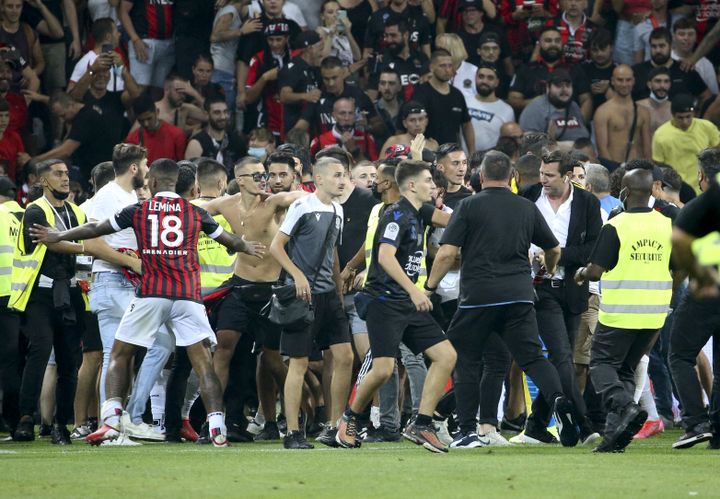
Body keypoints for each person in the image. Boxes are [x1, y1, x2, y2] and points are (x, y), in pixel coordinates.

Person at [30, 159, 265, 447]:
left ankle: (112, 419)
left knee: (119, 353)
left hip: (152, 293)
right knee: (203, 362)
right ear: (182, 184)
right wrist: (247, 246)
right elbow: (228, 239)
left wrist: (59, 235)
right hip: (188, 296)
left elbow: (96, 229)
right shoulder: (194, 212)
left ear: (152, 183)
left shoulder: (139, 210)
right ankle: (217, 427)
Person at [423, 150, 579, 449]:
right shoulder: (526, 207)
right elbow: (554, 248)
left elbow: (447, 252)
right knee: (532, 357)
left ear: (480, 177)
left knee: (465, 359)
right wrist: (549, 264)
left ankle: (468, 430)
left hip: (477, 298)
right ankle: (560, 400)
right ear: (513, 178)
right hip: (520, 296)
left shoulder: (468, 206)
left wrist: (430, 286)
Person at [9, 159, 139, 444]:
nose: (65, 179)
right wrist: (85, 245)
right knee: (40, 352)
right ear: (44, 181)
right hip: (40, 294)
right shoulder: (34, 210)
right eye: (58, 174)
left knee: (70, 361)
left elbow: (87, 241)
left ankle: (60, 424)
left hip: (71, 293)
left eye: (67, 173)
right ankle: (25, 418)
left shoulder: (77, 212)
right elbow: (51, 242)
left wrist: (99, 249)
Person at [335, 159, 457, 453]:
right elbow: (385, 257)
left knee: (446, 355)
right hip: (385, 302)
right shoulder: (396, 215)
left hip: (407, 302)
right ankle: (348, 420)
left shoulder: (421, 211)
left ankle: (422, 423)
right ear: (412, 186)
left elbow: (453, 222)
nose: (434, 186)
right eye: (428, 181)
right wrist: (414, 291)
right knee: (383, 370)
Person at [202, 154, 306, 443]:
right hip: (240, 288)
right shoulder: (226, 205)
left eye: (266, 175)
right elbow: (195, 208)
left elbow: (298, 195)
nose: (265, 180)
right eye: (258, 176)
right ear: (240, 181)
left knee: (272, 359)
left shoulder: (272, 203)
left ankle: (299, 411)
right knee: (223, 348)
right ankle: (213, 422)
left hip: (272, 291)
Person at [575, 168, 673, 452]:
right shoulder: (667, 224)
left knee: (601, 366)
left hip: (621, 312)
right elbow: (677, 267)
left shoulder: (617, 225)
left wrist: (581, 272)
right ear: (652, 191)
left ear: (625, 192)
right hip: (655, 313)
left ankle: (626, 407)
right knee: (626, 369)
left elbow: (595, 271)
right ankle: (614, 437)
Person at [269, 157, 354, 449]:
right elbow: (276, 246)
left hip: (329, 296)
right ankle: (293, 432)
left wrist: (339, 293)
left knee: (345, 357)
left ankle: (333, 427)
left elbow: (332, 253)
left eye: (344, 175)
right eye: (337, 175)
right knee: (299, 363)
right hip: (302, 296)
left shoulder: (338, 209)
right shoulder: (302, 207)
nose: (342, 181)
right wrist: (297, 277)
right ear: (318, 179)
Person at [521, 149, 602, 445]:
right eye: (542, 173)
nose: (543, 179)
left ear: (567, 175)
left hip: (572, 289)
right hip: (539, 290)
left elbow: (593, 248)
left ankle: (536, 426)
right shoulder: (528, 196)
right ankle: (583, 424)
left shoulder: (587, 203)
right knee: (561, 356)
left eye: (550, 175)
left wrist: (557, 255)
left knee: (562, 361)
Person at [668, 147, 720, 450]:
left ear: (701, 176)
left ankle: (696, 422)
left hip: (704, 293)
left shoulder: (695, 210)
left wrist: (673, 296)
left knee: (679, 355)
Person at [652, 93, 720, 194]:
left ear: (693, 113)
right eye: (680, 118)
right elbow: (657, 162)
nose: (685, 121)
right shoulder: (660, 134)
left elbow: (717, 147)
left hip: (705, 187)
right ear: (673, 114)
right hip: (677, 190)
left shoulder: (707, 127)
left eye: (688, 116)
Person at [413, 49, 475, 151]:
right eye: (442, 66)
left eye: (450, 66)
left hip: (452, 153)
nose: (447, 70)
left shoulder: (457, 94)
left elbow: (466, 124)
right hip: (427, 152)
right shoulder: (421, 93)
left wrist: (472, 151)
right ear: (432, 68)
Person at [631, 27, 710, 102]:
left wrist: (697, 112)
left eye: (662, 46)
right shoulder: (637, 72)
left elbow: (707, 96)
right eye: (654, 46)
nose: (658, 50)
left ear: (671, 46)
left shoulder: (685, 70)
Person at [593, 65, 652, 166]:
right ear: (612, 81)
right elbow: (602, 149)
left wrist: (648, 170)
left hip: (638, 170)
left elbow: (647, 148)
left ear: (633, 81)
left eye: (628, 80)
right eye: (620, 80)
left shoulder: (643, 112)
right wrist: (613, 171)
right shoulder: (603, 112)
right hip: (614, 169)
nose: (624, 84)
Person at [365, 15, 430, 102]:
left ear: (406, 35)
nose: (388, 40)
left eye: (393, 35)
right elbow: (371, 98)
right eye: (386, 35)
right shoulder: (379, 60)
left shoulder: (421, 58)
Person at [519, 69, 590, 146]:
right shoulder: (535, 109)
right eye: (559, 85)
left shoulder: (574, 106)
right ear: (548, 88)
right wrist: (555, 144)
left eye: (568, 85)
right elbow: (529, 146)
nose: (564, 89)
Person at [119, 0, 175, 93]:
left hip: (168, 42)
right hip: (143, 42)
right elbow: (123, 11)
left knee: (160, 89)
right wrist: (135, 38)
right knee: (139, 88)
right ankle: (131, 107)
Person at [184, 96, 247, 173]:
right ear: (207, 114)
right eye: (217, 113)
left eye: (225, 112)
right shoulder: (196, 143)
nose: (223, 117)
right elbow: (189, 176)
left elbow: (245, 169)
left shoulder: (237, 140)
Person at [279, 31, 324, 135]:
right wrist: (305, 96)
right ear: (310, 48)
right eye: (319, 47)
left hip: (312, 127)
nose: (321, 52)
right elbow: (284, 96)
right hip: (294, 127)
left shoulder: (315, 69)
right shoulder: (293, 68)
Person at [465, 62, 515, 152]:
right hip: (462, 160)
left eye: (490, 78)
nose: (484, 81)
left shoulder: (507, 110)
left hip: (490, 162)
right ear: (475, 78)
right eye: (481, 76)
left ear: (497, 82)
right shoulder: (463, 101)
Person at [310, 97, 378, 161]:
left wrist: (354, 151)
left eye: (350, 113)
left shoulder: (366, 138)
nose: (347, 118)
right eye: (342, 113)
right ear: (334, 116)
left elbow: (373, 168)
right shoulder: (319, 141)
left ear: (355, 115)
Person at [125, 94, 187, 163]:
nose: (146, 124)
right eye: (141, 120)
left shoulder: (177, 135)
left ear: (157, 112)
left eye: (149, 118)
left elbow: (182, 165)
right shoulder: (132, 139)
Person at [636, 66, 672, 135]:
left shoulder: (675, 110)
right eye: (658, 81)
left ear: (670, 84)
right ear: (649, 84)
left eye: (666, 81)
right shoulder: (637, 107)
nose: (662, 86)